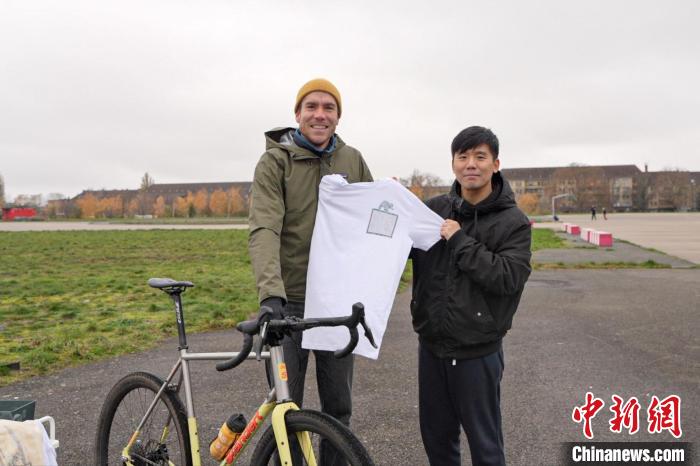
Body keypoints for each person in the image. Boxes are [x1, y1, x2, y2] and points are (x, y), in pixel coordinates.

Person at [248, 78, 372, 460]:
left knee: (338, 410)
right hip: (290, 303)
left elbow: (371, 220)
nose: (320, 115)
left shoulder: (352, 160)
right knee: (287, 412)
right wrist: (271, 294)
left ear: (338, 115)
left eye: (328, 107)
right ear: (298, 113)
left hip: (335, 303)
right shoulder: (275, 163)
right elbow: (265, 228)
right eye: (312, 107)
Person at [410, 126, 532, 466]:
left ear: (496, 164)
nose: (471, 164)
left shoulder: (513, 222)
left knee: (485, 446)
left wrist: (459, 240)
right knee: (437, 441)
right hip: (432, 347)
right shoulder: (434, 210)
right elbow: (397, 244)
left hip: (477, 352)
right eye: (462, 157)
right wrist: (392, 202)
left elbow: (508, 277)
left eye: (480, 156)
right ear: (453, 164)